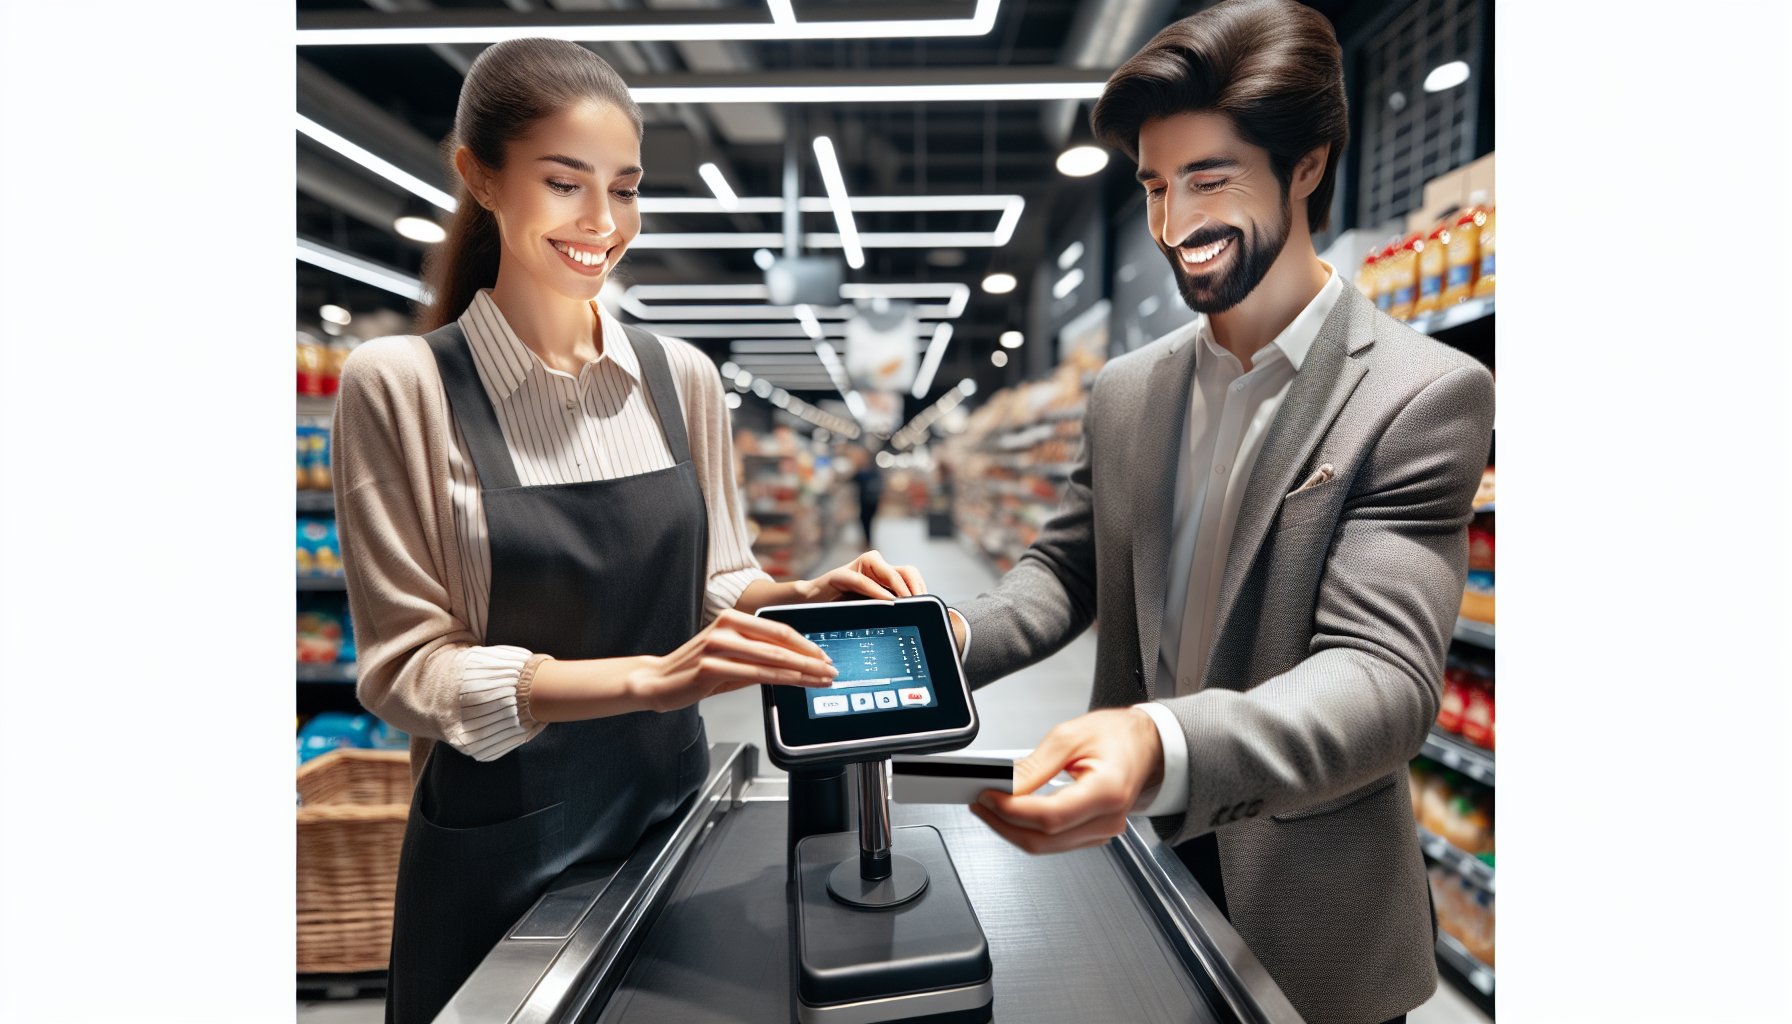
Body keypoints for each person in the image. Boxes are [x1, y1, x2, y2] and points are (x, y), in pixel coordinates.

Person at [330, 39, 929, 1024]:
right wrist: (647, 679)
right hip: (499, 842)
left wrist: (799, 600)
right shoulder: (400, 383)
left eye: (624, 187)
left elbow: (719, 578)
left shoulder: (680, 376)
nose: (601, 224)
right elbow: (407, 669)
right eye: (563, 183)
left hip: (667, 807)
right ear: (479, 176)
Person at [953, 2, 1494, 1022]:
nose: (1171, 227)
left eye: (1209, 179)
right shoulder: (1125, 390)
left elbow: (1379, 677)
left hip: (1310, 906)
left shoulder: (1420, 393)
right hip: (1139, 865)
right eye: (1154, 186)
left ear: (1306, 168)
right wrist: (937, 635)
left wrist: (1158, 745)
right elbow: (1065, 570)